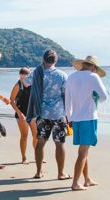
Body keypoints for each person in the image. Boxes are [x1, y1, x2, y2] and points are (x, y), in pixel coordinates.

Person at [23, 50, 71, 180]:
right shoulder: (62, 75)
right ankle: (61, 173)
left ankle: (39, 172)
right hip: (58, 113)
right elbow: (66, 93)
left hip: (42, 113)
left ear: (43, 60)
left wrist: (37, 69)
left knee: (40, 142)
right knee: (59, 144)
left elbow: (26, 83)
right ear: (55, 61)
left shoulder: (38, 72)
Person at [65, 55, 108, 191]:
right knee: (83, 152)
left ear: (83, 64)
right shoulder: (93, 76)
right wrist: (95, 97)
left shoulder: (71, 77)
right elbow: (104, 96)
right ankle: (75, 183)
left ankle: (87, 179)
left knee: (84, 150)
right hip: (88, 118)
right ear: (94, 67)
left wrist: (69, 118)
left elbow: (67, 100)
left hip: (75, 118)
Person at [10, 67, 39, 165]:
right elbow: (11, 100)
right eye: (21, 77)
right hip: (21, 114)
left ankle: (37, 157)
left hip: (33, 113)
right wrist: (19, 113)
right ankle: (24, 157)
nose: (23, 79)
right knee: (24, 136)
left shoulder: (34, 84)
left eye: (25, 77)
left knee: (36, 136)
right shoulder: (18, 85)